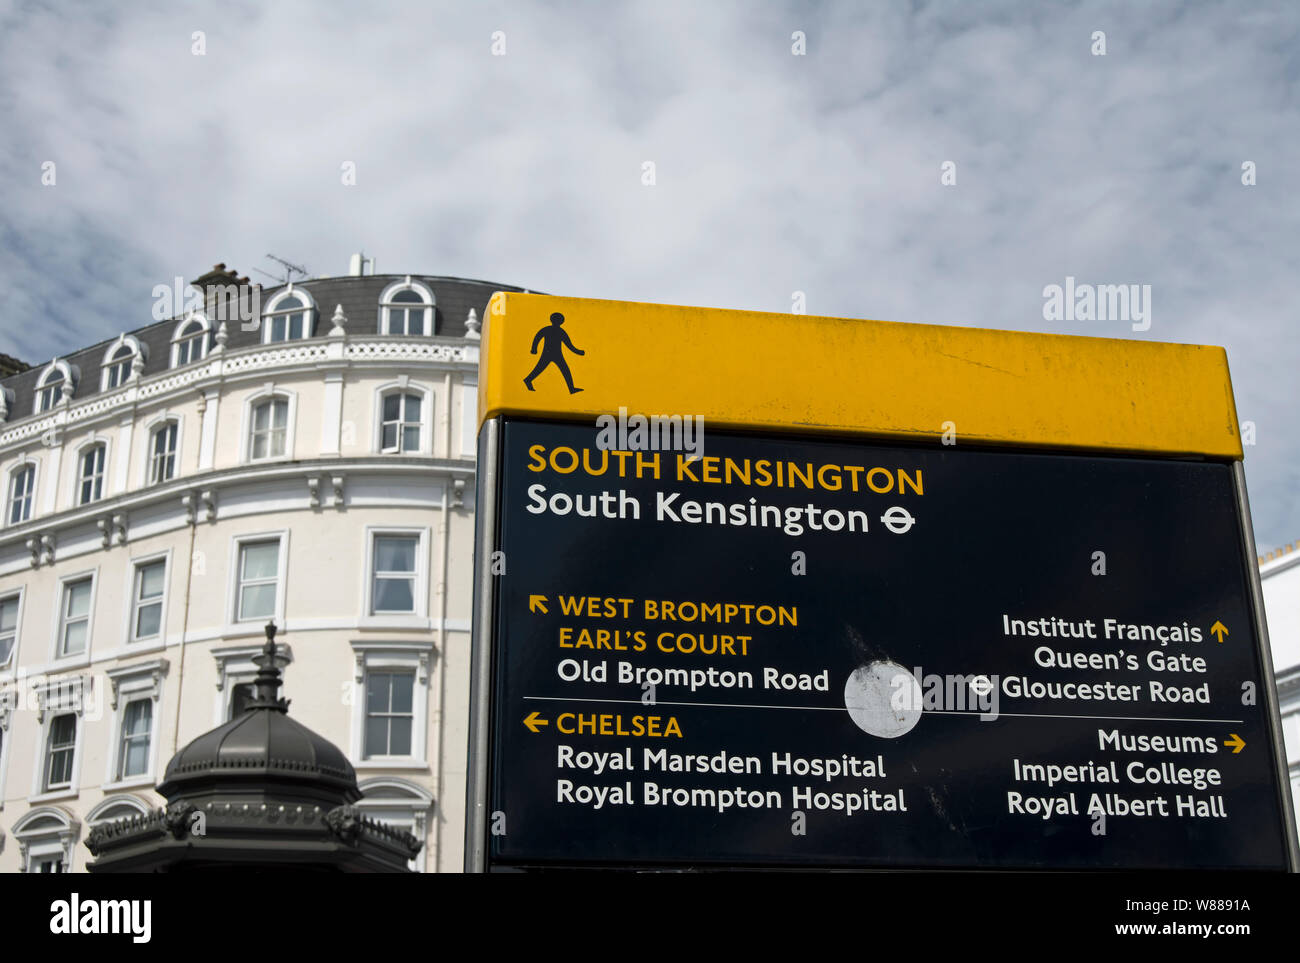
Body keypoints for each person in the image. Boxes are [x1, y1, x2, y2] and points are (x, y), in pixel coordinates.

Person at [523, 312, 584, 393]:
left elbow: (569, 344)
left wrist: (578, 352)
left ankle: (571, 388)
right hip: (549, 354)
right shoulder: (552, 330)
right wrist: (534, 348)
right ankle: (528, 380)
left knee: (565, 370)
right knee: (540, 369)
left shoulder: (558, 331)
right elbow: (538, 337)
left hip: (556, 354)